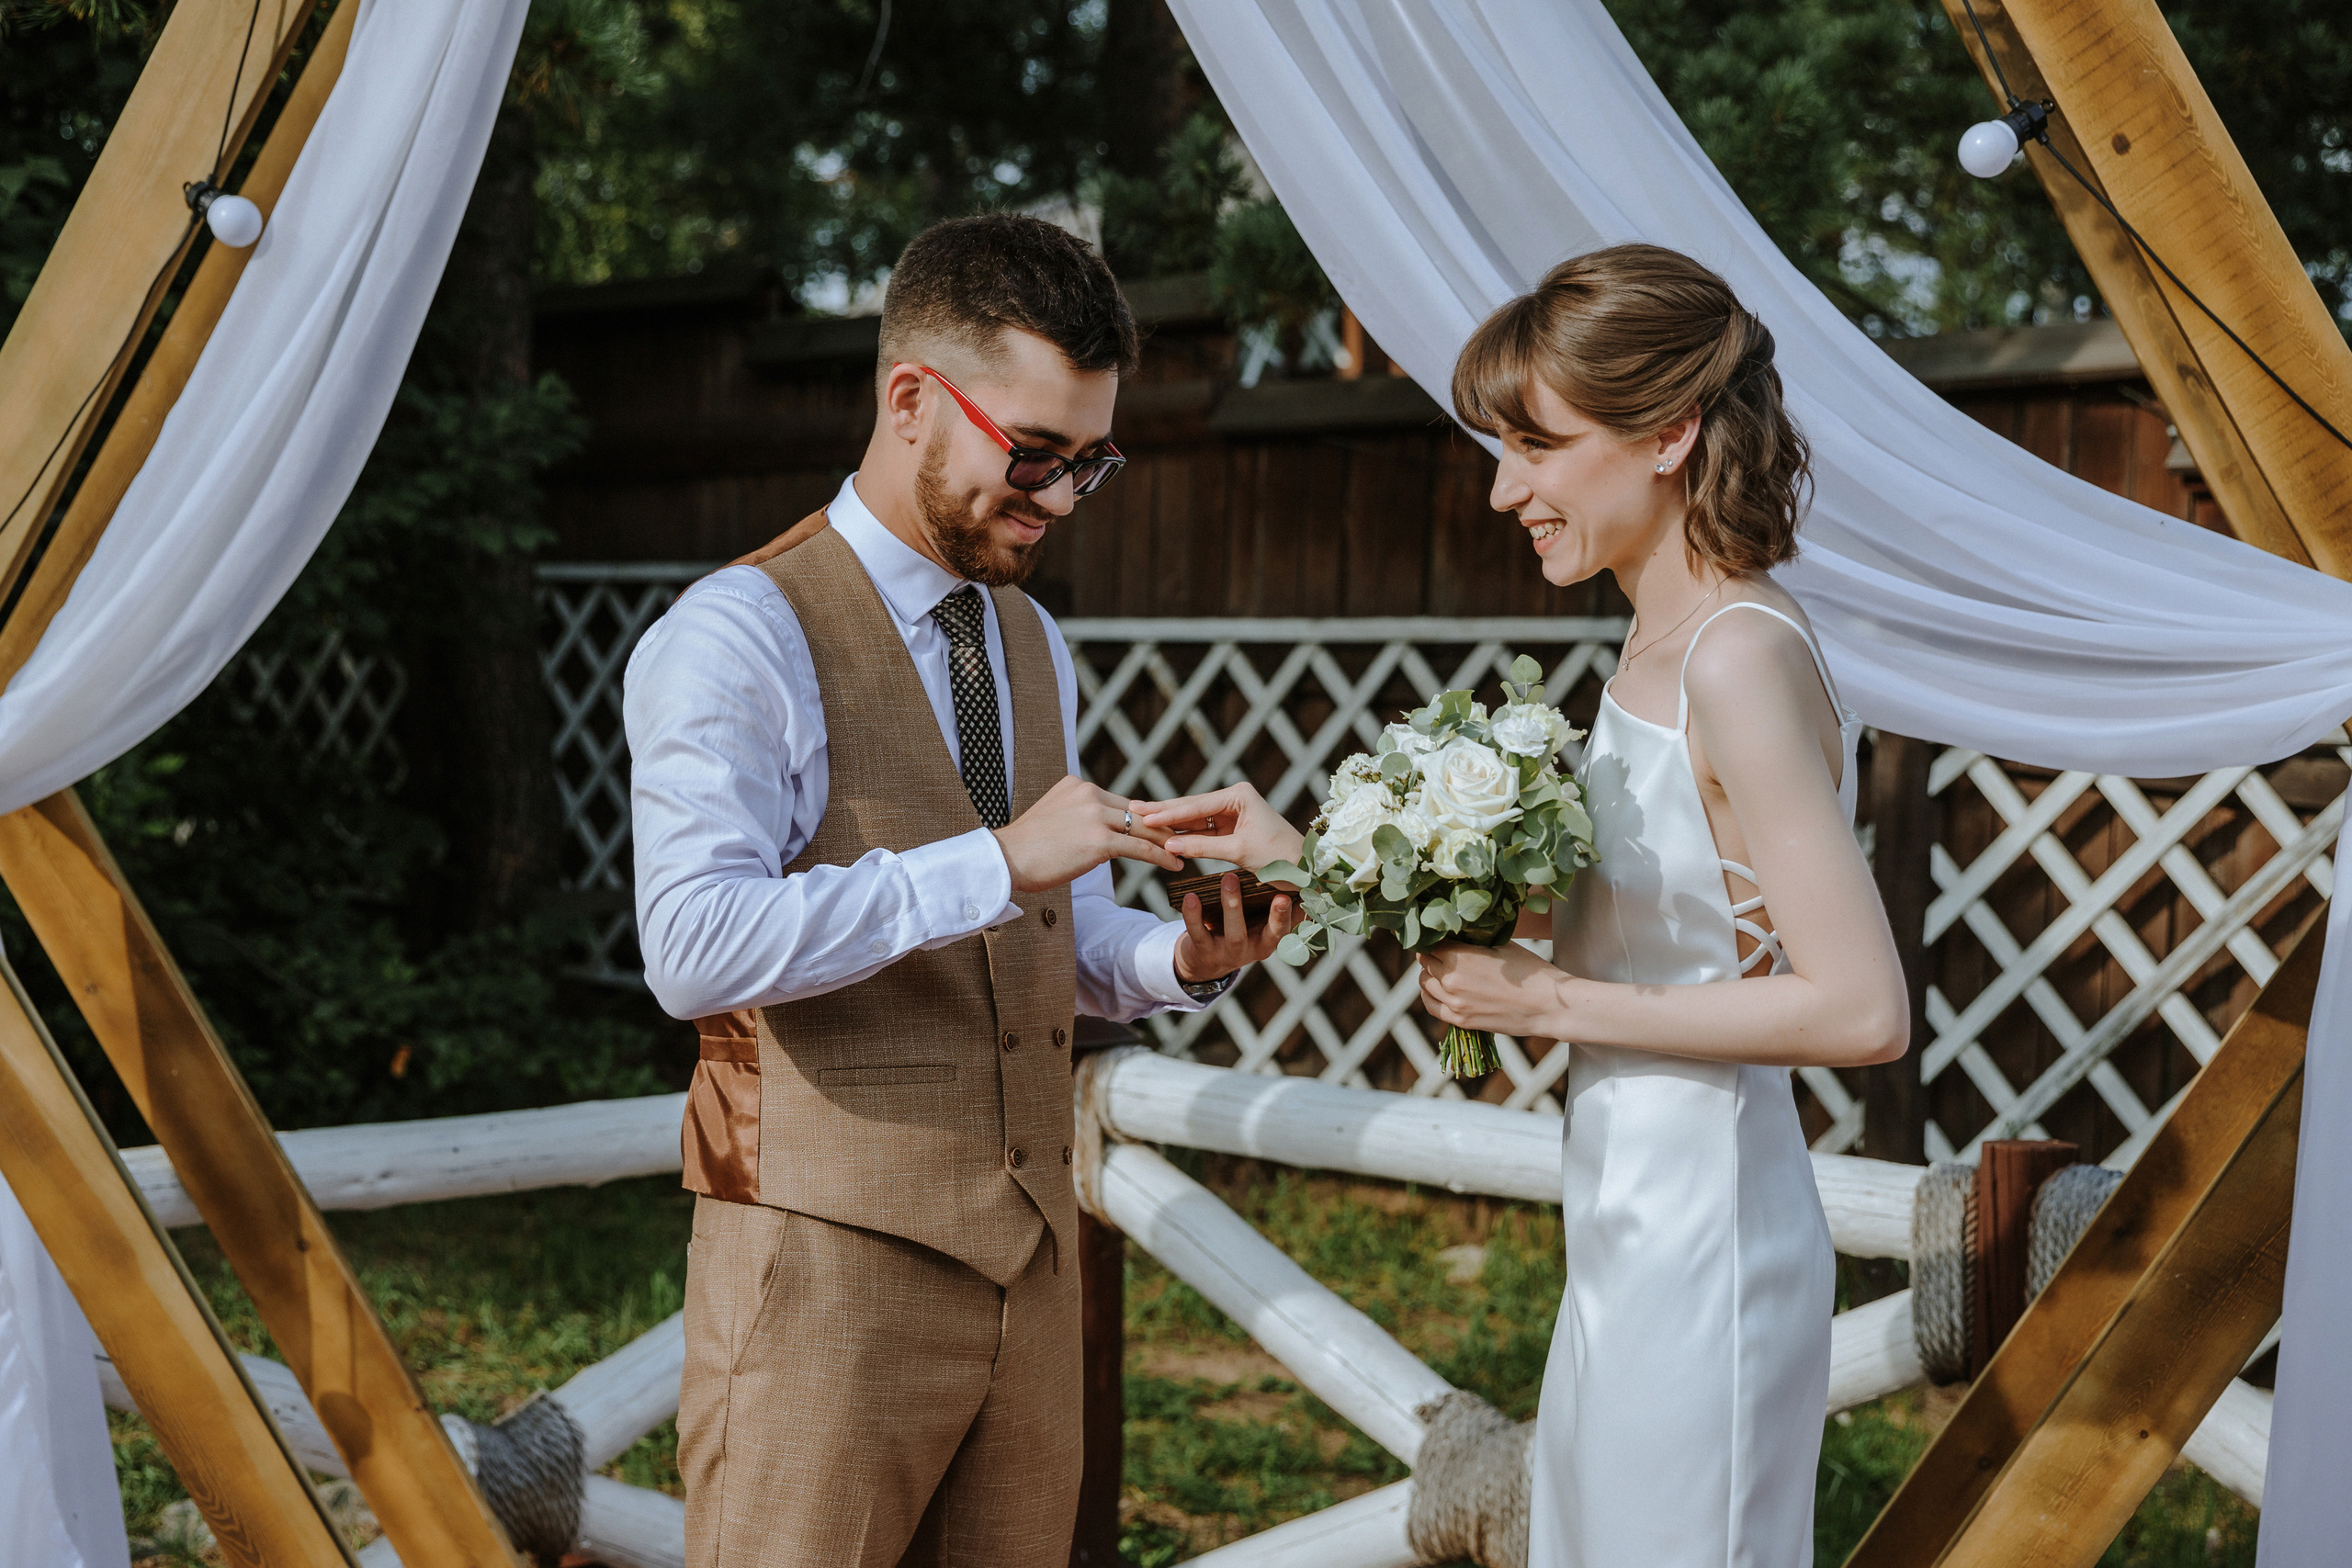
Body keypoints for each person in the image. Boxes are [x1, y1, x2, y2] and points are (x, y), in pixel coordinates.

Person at [1136, 243, 1907, 1567]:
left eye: (1537, 445)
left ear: (1668, 435)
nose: (1505, 490)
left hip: (1708, 1239)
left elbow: (1860, 1006)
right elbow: (1649, 923)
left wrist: (1547, 1002)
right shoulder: (1654, 644)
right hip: (1624, 1215)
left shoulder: (1739, 660)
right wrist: (1312, 856)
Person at [626, 212, 1294, 1568]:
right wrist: (998, 858)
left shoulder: (1029, 637)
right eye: (1033, 455)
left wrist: (1180, 962)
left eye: (1088, 464)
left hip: (1032, 1270)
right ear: (913, 399)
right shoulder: (736, 633)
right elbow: (692, 947)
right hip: (823, 1271)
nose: (1056, 499)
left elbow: (1035, 925)